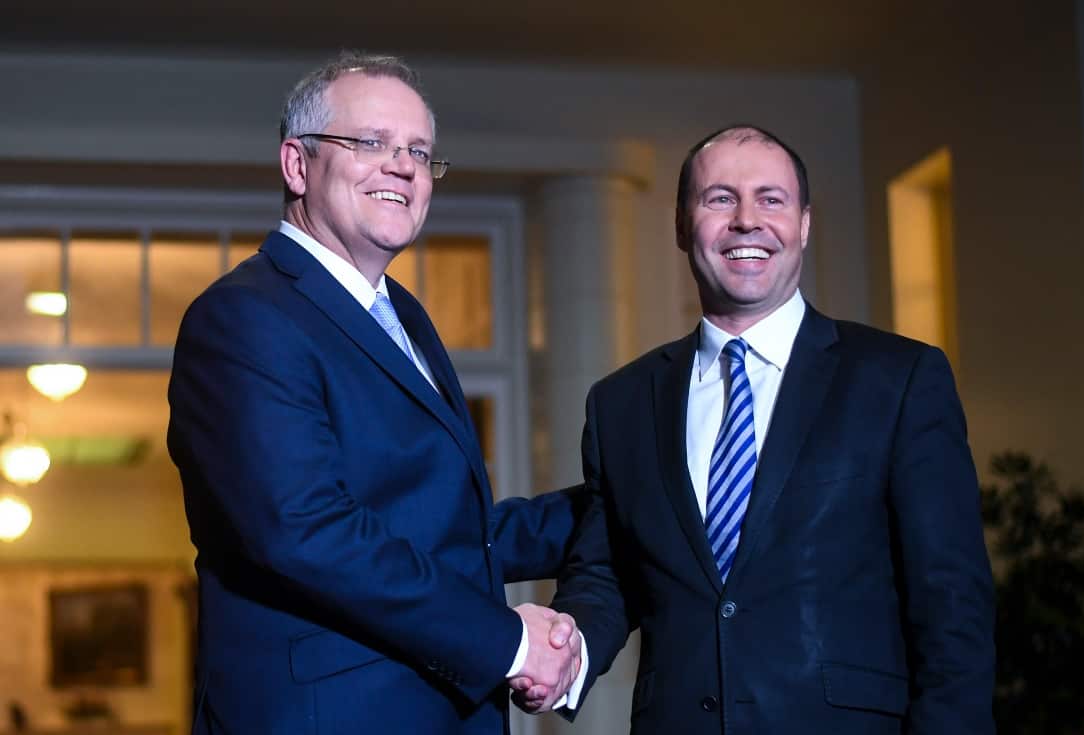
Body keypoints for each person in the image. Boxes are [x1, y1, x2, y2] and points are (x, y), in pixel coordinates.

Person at [167, 52, 582, 735]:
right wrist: (506, 641)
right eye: (370, 143)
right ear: (297, 165)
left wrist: (628, 501)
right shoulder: (243, 317)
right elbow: (306, 530)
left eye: (419, 151)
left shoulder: (404, 315)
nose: (403, 165)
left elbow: (439, 533)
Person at [532, 125, 995, 733]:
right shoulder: (620, 402)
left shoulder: (900, 379)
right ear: (681, 225)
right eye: (719, 198)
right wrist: (568, 654)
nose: (747, 220)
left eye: (770, 199)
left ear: (804, 225)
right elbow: (607, 569)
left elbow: (951, 601)